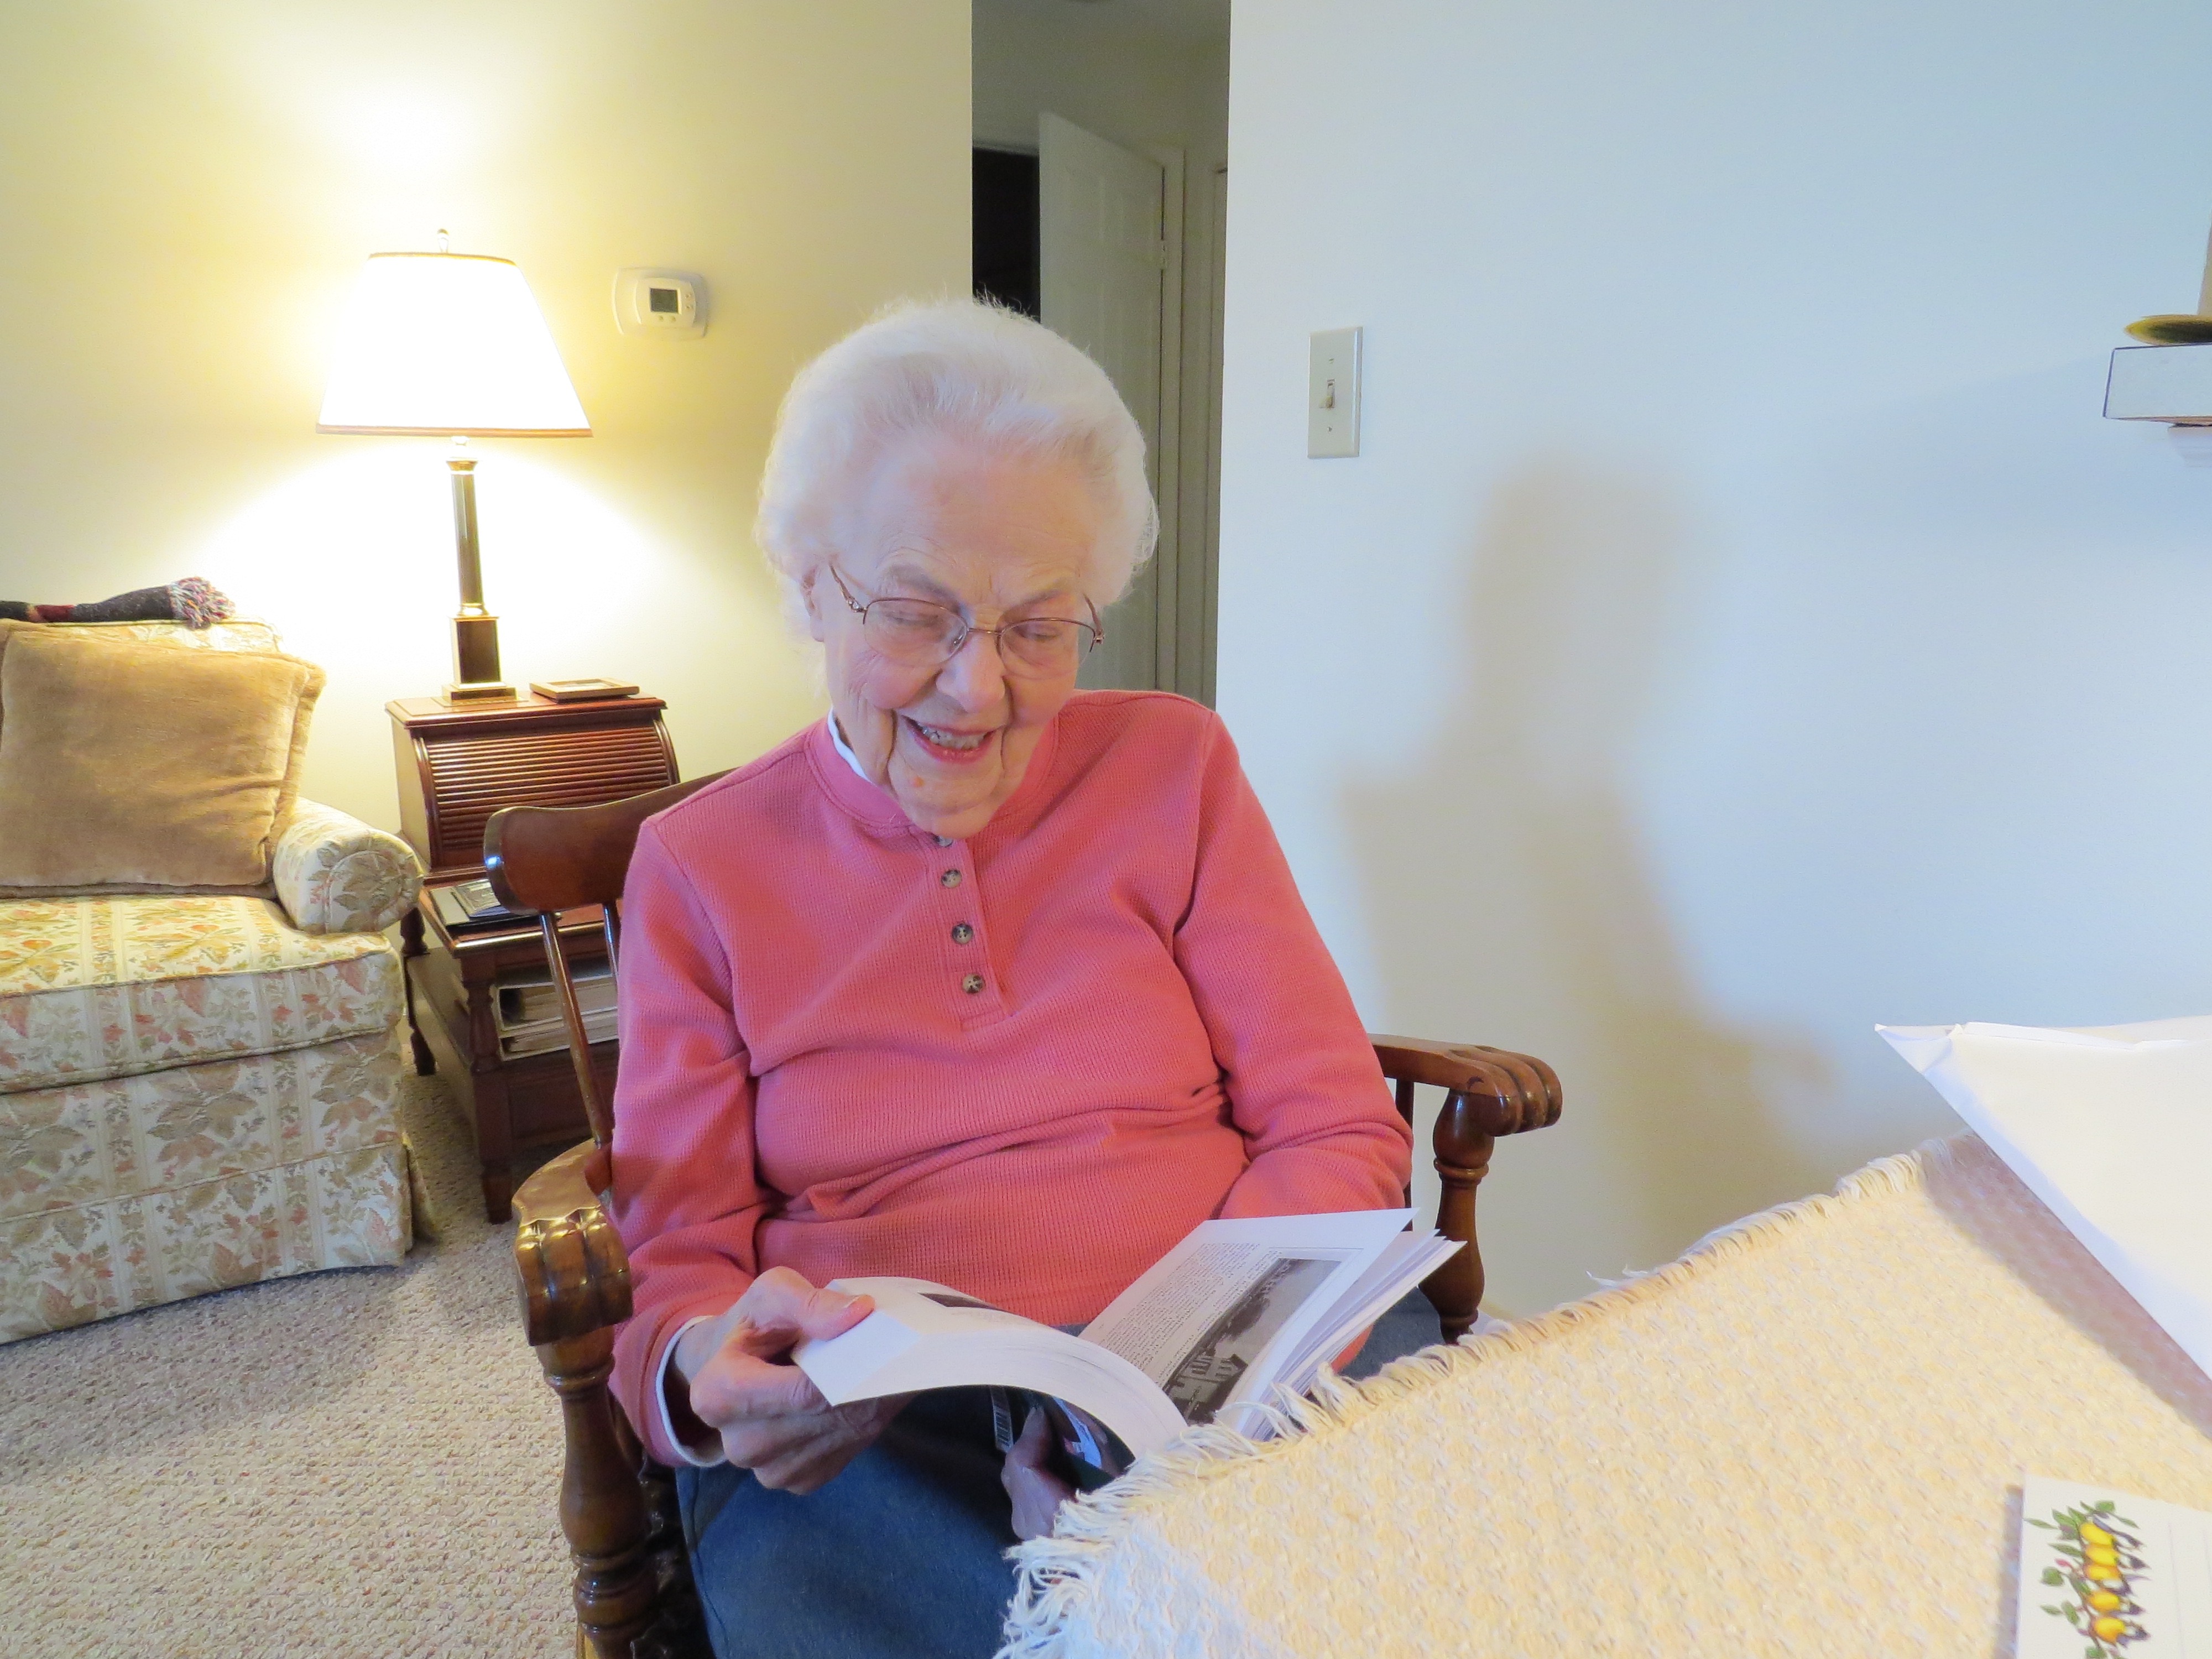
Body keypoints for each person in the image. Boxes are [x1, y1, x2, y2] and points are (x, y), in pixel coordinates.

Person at [607, 300, 1428, 1658]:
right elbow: (677, 1257)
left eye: (1041, 625)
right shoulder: (698, 864)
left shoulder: (1175, 768)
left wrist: (1196, 1402)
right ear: (808, 585)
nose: (977, 689)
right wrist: (707, 1362)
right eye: (917, 613)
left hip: (1223, 1378)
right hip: (882, 1433)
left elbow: (1332, 1124)